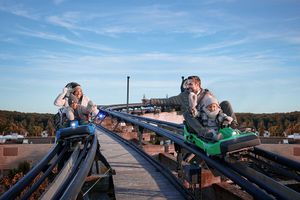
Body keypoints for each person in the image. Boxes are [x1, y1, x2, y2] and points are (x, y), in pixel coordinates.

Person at [143, 75, 237, 138]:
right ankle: (207, 134)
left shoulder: (207, 94)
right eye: (187, 84)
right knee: (188, 113)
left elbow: (215, 107)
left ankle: (233, 127)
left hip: (209, 119)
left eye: (190, 84)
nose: (188, 87)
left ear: (198, 84)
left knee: (226, 103)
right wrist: (151, 101)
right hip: (195, 123)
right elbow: (167, 101)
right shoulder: (184, 96)